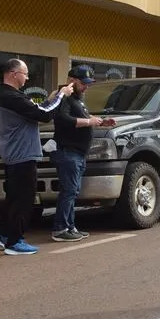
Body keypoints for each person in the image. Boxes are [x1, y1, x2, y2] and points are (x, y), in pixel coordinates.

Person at [0, 59, 74, 255]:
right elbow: (43, 116)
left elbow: (36, 111)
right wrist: (61, 96)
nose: (27, 78)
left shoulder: (11, 96)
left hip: (17, 153)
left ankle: (2, 232)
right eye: (25, 73)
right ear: (13, 74)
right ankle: (14, 242)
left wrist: (52, 100)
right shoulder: (10, 96)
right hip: (21, 154)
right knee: (24, 199)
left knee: (14, 197)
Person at [51, 65, 108, 242]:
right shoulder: (64, 98)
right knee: (68, 191)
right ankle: (60, 228)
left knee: (73, 191)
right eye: (83, 83)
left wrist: (99, 122)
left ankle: (70, 226)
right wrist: (88, 121)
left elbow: (84, 118)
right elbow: (63, 119)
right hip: (68, 152)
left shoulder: (78, 99)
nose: (86, 87)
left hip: (79, 153)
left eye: (88, 83)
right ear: (72, 81)